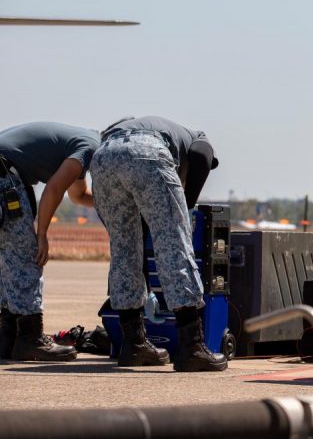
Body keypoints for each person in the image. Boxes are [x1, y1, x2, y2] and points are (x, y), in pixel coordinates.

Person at [91, 116, 224, 372]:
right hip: (146, 152)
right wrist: (186, 206)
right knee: (174, 243)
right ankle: (192, 347)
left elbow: (138, 240)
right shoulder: (198, 136)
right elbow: (202, 156)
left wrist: (145, 284)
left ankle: (134, 344)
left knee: (124, 249)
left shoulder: (150, 128)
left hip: (103, 157)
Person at [0, 122, 99, 362]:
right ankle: (31, 339)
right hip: (5, 177)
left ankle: (8, 338)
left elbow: (78, 195)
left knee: (8, 259)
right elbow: (53, 189)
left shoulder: (79, 143)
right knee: (27, 257)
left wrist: (117, 202)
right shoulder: (90, 147)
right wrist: (42, 234)